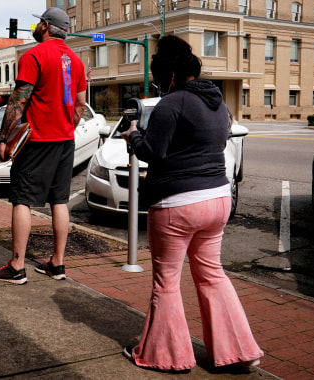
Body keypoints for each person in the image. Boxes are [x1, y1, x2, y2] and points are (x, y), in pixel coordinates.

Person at [119, 35, 263, 372]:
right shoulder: (218, 104)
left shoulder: (172, 104)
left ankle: (167, 355)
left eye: (158, 78)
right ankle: (237, 353)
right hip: (217, 199)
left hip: (177, 205)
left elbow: (153, 153)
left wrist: (133, 134)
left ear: (169, 75)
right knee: (212, 275)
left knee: (166, 281)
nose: (157, 85)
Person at [0, 7, 85, 284]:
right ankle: (57, 263)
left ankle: (17, 266)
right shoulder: (76, 62)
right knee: (59, 200)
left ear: (44, 26)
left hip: (37, 141)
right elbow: (79, 105)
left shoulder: (34, 55)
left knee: (21, 199)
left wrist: (3, 138)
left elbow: (18, 101)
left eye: (38, 24)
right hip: (65, 140)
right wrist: (66, 127)